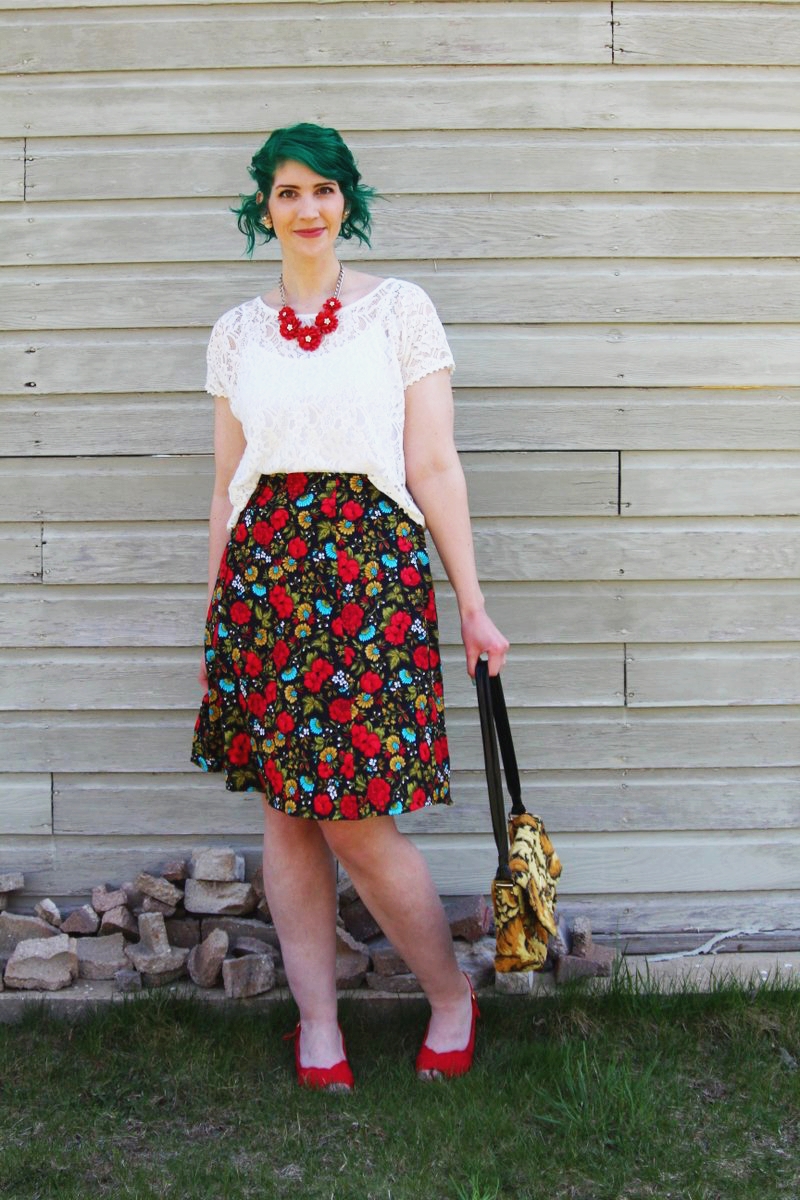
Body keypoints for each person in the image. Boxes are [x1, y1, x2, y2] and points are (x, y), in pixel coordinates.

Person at [191, 122, 509, 1091]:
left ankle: (449, 997)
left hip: (368, 574)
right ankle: (317, 1023)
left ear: (348, 203)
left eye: (325, 191)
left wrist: (473, 606)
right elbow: (224, 485)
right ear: (262, 208)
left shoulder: (399, 312)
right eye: (288, 192)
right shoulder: (236, 332)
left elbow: (433, 465)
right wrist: (215, 612)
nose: (307, 209)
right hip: (264, 578)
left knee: (356, 817)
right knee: (288, 816)